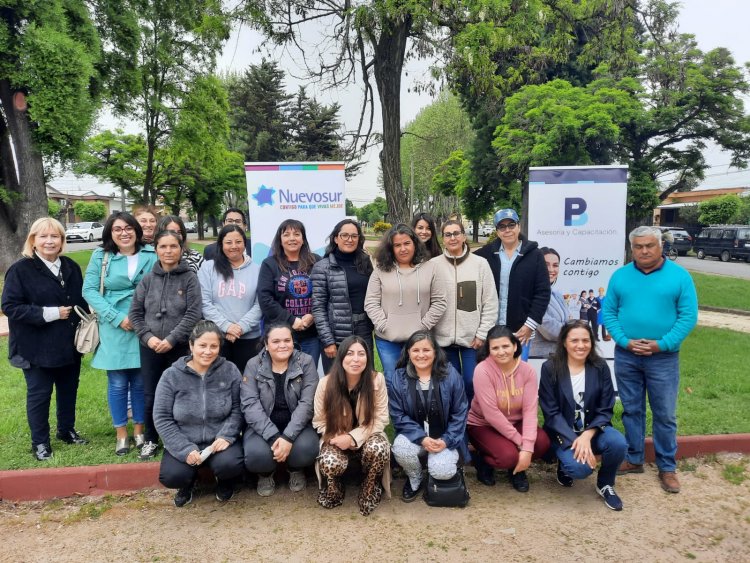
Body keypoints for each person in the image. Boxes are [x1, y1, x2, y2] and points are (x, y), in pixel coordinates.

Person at [603, 226, 698, 494]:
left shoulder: (680, 277)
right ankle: (634, 458)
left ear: (661, 247)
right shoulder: (620, 276)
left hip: (663, 358)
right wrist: (624, 341)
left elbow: (688, 316)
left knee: (665, 413)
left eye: (649, 246)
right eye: (638, 246)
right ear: (632, 248)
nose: (644, 251)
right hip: (627, 355)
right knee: (632, 409)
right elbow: (609, 312)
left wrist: (661, 344)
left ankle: (667, 466)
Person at [1, 218, 89, 461]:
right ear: (33, 241)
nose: (50, 241)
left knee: (68, 391)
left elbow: (80, 303)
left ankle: (66, 431)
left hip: (69, 345)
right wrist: (50, 313)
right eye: (43, 236)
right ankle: (40, 442)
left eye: (55, 236)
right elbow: (9, 306)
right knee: (39, 395)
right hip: (35, 346)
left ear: (62, 240)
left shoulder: (70, 266)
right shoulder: (21, 269)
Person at [83, 211, 157, 455]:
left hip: (144, 323)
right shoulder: (101, 255)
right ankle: (121, 434)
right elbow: (90, 291)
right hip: (113, 324)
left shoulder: (151, 253)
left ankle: (139, 431)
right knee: (117, 382)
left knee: (139, 381)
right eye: (117, 229)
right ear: (110, 233)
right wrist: (117, 318)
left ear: (136, 230)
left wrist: (141, 319)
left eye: (128, 228)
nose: (124, 233)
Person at [538, 320, 628, 511]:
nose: (581, 345)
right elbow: (551, 413)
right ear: (564, 342)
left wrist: (587, 436)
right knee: (580, 469)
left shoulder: (600, 367)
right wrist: (575, 440)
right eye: (575, 340)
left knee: (618, 443)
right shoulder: (550, 368)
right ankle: (564, 466)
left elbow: (605, 408)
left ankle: (605, 484)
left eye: (585, 340)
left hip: (594, 430)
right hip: (562, 434)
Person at [129, 229, 203, 460]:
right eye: (163, 246)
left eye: (173, 246)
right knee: (151, 394)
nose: (168, 251)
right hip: (150, 347)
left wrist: (171, 339)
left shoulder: (189, 278)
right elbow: (135, 313)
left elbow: (193, 313)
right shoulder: (148, 280)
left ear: (181, 249)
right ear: (156, 249)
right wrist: (149, 337)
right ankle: (151, 439)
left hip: (179, 346)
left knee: (183, 393)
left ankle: (182, 438)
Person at [153, 321, 245, 507]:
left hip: (218, 441)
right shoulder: (171, 376)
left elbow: (238, 409)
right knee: (172, 476)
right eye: (202, 345)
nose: (207, 351)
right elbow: (162, 418)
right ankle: (188, 483)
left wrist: (226, 436)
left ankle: (224, 481)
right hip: (185, 439)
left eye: (214, 346)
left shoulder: (230, 371)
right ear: (191, 345)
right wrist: (185, 449)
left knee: (231, 465)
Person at [313, 336, 391, 516]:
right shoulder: (325, 383)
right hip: (336, 437)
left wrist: (353, 438)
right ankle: (335, 487)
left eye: (361, 354)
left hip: (368, 436)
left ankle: (370, 487)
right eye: (350, 353)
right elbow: (319, 420)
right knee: (330, 461)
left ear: (367, 358)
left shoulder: (377, 380)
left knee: (379, 447)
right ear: (341, 357)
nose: (356, 359)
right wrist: (335, 437)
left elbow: (381, 419)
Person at [467, 325, 550, 492]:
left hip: (515, 422)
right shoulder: (482, 371)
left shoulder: (527, 371)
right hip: (483, 425)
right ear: (489, 350)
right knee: (508, 456)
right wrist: (521, 443)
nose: (501, 351)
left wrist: (527, 447)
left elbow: (530, 411)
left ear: (514, 346)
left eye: (505, 346)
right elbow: (491, 415)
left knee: (541, 443)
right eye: (495, 348)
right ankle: (482, 461)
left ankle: (517, 471)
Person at [241, 322, 320, 496]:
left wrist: (287, 437)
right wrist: (273, 436)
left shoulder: (305, 362)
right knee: (255, 455)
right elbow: (250, 405)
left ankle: (295, 469)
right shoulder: (253, 364)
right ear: (266, 345)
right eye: (276, 341)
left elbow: (307, 404)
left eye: (287, 340)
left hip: (297, 426)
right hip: (263, 426)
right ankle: (265, 473)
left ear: (293, 342)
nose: (282, 345)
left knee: (307, 449)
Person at [389, 330, 469, 502]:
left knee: (443, 471)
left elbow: (460, 412)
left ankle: (435, 472)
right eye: (416, 350)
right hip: (415, 437)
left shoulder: (450, 375)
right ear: (408, 352)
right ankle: (415, 477)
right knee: (401, 448)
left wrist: (446, 440)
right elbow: (398, 415)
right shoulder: (399, 377)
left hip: (444, 437)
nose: (421, 355)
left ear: (435, 352)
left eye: (426, 350)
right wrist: (422, 438)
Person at [364, 223, 446, 390]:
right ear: (390, 248)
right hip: (388, 339)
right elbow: (371, 302)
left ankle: (419, 415)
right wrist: (383, 325)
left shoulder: (431, 268)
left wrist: (423, 327)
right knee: (393, 381)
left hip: (420, 340)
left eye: (407, 243)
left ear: (415, 243)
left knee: (421, 380)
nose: (403, 249)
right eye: (397, 245)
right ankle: (396, 416)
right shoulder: (380, 270)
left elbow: (440, 301)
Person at [430, 219, 497, 402]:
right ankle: (455, 425)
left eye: (456, 233)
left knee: (471, 381)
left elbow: (490, 302)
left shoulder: (480, 264)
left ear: (463, 236)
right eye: (448, 234)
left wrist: (482, 334)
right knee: (450, 384)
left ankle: (471, 422)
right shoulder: (433, 265)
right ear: (443, 238)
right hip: (442, 340)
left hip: (472, 340)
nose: (452, 238)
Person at [474, 208, 550, 361]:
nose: (507, 230)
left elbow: (542, 293)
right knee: (494, 379)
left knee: (517, 379)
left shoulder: (535, 255)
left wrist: (530, 325)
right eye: (502, 226)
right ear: (497, 231)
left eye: (511, 225)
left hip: (521, 331)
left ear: (518, 227)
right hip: (491, 331)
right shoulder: (485, 255)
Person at [311, 219, 374, 375]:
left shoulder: (365, 262)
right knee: (336, 384)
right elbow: (318, 307)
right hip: (336, 336)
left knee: (365, 380)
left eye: (354, 236)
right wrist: (328, 341)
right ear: (335, 238)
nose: (349, 239)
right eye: (344, 235)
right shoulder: (322, 267)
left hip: (363, 331)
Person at [198, 225, 262, 374]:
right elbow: (205, 303)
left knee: (247, 384)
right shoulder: (208, 268)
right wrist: (227, 327)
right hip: (216, 338)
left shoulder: (257, 269)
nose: (234, 246)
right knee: (218, 385)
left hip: (249, 339)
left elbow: (259, 305)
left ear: (244, 244)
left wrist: (239, 328)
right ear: (221, 244)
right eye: (228, 242)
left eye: (238, 242)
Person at [258, 219, 322, 367]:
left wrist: (312, 315)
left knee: (308, 377)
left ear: (303, 239)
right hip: (280, 335)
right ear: (280, 240)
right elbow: (265, 299)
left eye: (297, 234)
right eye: (286, 234)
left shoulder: (316, 262)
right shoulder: (269, 264)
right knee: (280, 376)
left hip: (311, 335)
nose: (292, 238)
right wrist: (292, 320)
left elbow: (324, 294)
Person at [529, 248, 570, 359]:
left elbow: (568, 321)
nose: (551, 269)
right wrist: (576, 332)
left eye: (555, 265)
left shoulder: (556, 295)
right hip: (540, 359)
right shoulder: (530, 294)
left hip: (560, 358)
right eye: (546, 264)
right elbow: (550, 330)